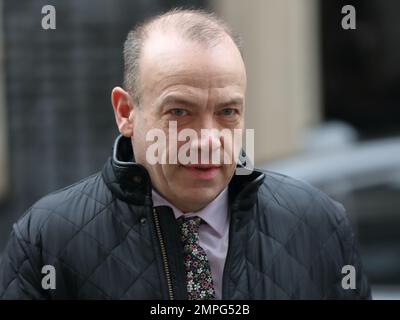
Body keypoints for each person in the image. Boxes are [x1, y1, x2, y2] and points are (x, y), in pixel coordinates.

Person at [0, 8, 370, 300]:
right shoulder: (46, 239)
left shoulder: (319, 226)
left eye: (227, 112)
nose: (208, 139)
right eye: (179, 112)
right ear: (126, 113)